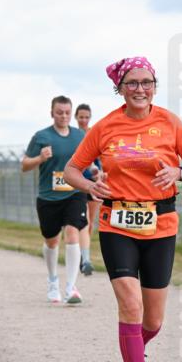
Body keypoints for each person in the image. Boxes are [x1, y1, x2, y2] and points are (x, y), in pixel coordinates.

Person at [64, 56, 182, 362]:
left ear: (155, 87)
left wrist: (180, 172)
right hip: (117, 223)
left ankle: (134, 354)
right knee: (130, 304)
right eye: (132, 83)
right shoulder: (105, 127)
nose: (140, 89)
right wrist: (88, 185)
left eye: (147, 82)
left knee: (153, 320)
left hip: (161, 225)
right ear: (120, 88)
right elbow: (71, 170)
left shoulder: (169, 122)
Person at [22, 96, 89, 304]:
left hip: (74, 193)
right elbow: (24, 165)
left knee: (72, 232)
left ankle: (71, 287)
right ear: (52, 113)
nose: (64, 116)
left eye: (67, 112)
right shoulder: (41, 136)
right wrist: (40, 158)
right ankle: (53, 281)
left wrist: (95, 172)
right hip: (48, 197)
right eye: (59, 112)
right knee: (52, 241)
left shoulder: (79, 136)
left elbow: (86, 162)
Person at [75, 103, 101, 276]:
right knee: (81, 220)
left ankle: (84, 255)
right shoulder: (73, 135)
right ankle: (83, 259)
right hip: (78, 182)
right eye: (81, 117)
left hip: (94, 181)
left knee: (90, 222)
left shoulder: (94, 133)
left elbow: (101, 158)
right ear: (76, 117)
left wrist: (100, 174)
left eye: (86, 117)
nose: (84, 120)